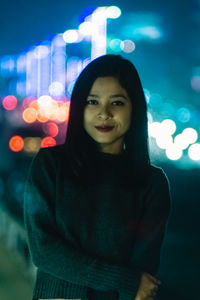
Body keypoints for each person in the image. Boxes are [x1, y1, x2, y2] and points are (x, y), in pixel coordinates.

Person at [24, 54, 171, 300]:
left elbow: (142, 275)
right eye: (92, 101)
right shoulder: (50, 165)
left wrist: (131, 283)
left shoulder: (152, 184)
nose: (104, 113)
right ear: (80, 108)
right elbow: (43, 250)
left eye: (117, 103)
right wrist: (122, 280)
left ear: (134, 109)